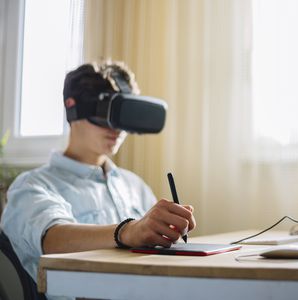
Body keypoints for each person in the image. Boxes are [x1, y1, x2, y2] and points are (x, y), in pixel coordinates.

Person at [0, 61, 196, 295]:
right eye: (106, 115)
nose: (117, 129)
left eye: (122, 116)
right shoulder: (32, 186)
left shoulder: (134, 185)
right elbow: (52, 239)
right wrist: (129, 231)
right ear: (72, 108)